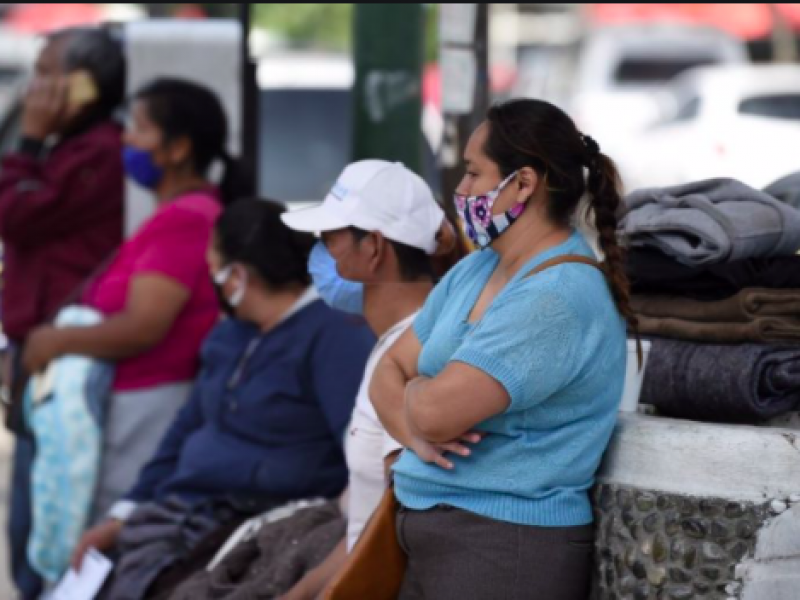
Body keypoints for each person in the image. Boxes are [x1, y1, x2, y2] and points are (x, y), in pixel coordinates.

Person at [370, 98, 634, 599]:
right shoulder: (477, 268)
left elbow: (435, 411)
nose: (461, 190)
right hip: (434, 533)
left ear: (524, 183)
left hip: (500, 548)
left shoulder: (554, 297)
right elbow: (388, 368)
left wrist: (417, 401)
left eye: (473, 173)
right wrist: (415, 426)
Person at [72, 198, 374, 600]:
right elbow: (185, 428)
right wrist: (123, 513)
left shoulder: (333, 336)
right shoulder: (230, 334)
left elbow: (362, 453)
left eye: (213, 266)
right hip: (182, 512)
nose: (211, 276)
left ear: (237, 275)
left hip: (261, 522)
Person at [23, 78, 238, 524]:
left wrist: (55, 341)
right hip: (134, 403)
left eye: (139, 128)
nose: (126, 139)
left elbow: (144, 325)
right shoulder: (176, 214)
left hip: (147, 406)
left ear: (178, 148)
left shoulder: (186, 218)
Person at [278, 160, 463, 599]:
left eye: (330, 237)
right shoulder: (395, 344)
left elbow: (390, 536)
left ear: (375, 248)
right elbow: (364, 527)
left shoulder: (420, 355)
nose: (321, 252)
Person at [0, 26, 125, 599]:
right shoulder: (68, 150)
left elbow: (17, 215)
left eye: (50, 74)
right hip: (35, 349)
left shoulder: (97, 155)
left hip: (67, 356)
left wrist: (26, 142)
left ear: (85, 85)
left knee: (40, 517)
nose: (37, 90)